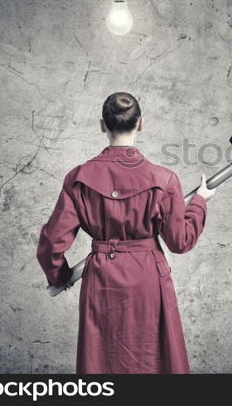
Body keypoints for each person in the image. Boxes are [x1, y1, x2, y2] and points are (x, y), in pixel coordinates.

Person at [36, 92, 215, 374]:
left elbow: (51, 242)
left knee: (102, 362)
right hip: (148, 279)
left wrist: (60, 276)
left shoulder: (78, 178)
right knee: (152, 359)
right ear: (141, 124)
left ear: (102, 125)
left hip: (100, 280)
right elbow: (180, 242)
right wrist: (199, 203)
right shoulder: (165, 179)